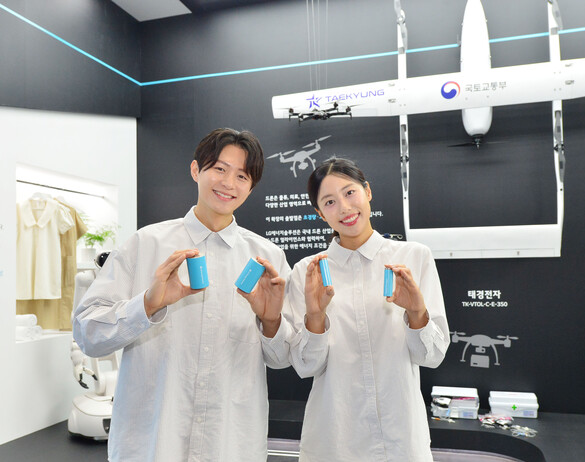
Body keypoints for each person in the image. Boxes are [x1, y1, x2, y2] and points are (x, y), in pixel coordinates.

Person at [73, 128, 292, 462]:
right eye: (219, 169)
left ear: (251, 186)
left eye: (242, 176)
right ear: (195, 170)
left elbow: (282, 358)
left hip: (230, 444)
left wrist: (271, 320)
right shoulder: (146, 243)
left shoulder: (267, 258)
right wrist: (148, 304)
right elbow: (87, 335)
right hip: (152, 443)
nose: (228, 183)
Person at [284, 157, 450, 461]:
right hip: (335, 439)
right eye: (330, 202)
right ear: (320, 213)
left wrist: (417, 314)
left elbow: (432, 356)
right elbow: (306, 366)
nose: (344, 208)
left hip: (401, 439)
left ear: (367, 191)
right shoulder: (308, 273)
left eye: (350, 193)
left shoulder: (414, 258)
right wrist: (316, 318)